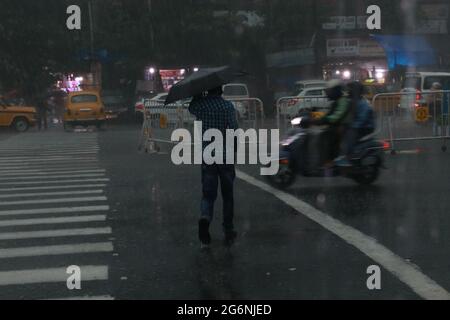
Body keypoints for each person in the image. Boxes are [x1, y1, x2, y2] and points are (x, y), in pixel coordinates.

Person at [188, 86, 239, 248]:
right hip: (225, 156)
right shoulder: (227, 107)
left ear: (207, 90)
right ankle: (228, 228)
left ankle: (205, 217)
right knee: (227, 195)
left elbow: (191, 107)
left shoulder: (201, 106)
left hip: (207, 155)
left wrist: (197, 93)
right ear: (221, 91)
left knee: (208, 195)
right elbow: (234, 129)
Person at [312, 80, 353, 166]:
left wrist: (324, 119)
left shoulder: (343, 101)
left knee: (327, 135)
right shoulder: (337, 101)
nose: (327, 94)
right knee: (320, 134)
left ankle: (331, 160)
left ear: (335, 90)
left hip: (342, 127)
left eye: (329, 91)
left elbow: (337, 116)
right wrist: (314, 114)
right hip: (337, 126)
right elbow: (330, 113)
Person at [334, 81, 375, 167]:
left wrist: (350, 126)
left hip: (365, 127)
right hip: (357, 125)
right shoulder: (353, 102)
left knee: (350, 134)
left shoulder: (363, 103)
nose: (348, 91)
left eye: (350, 89)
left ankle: (347, 157)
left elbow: (361, 120)